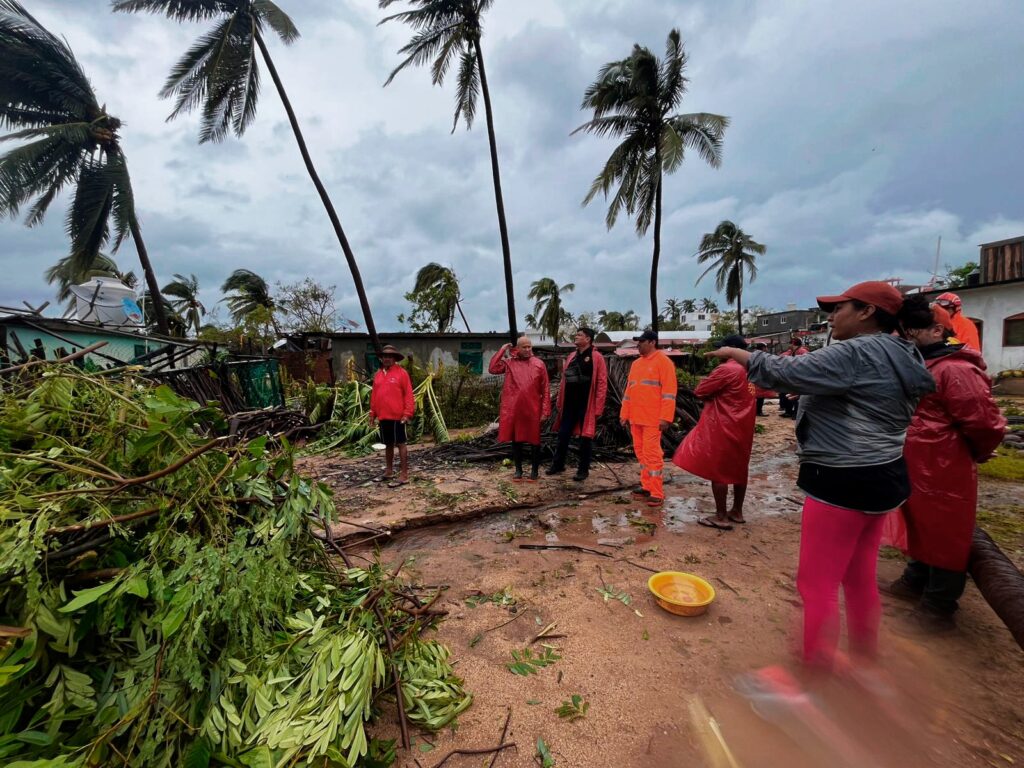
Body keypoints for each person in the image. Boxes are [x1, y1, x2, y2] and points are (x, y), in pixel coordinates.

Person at [707, 282, 935, 672]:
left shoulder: (857, 351)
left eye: (839, 308)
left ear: (866, 312)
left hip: (841, 478)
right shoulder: (905, 352)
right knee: (858, 575)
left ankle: (812, 676)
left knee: (817, 583)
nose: (831, 317)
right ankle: (865, 658)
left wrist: (739, 354)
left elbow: (784, 371)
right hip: (886, 475)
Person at [884, 303, 1006, 632]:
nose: (908, 336)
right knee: (921, 523)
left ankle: (939, 606)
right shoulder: (926, 363)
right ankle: (917, 579)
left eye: (914, 331)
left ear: (938, 330)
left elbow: (984, 423)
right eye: (905, 330)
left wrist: (974, 453)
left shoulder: (955, 368)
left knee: (946, 531)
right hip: (919, 460)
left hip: (944, 462)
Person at [673, 334, 756, 530]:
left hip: (724, 423)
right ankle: (737, 511)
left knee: (719, 470)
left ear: (731, 349)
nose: (718, 352)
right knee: (739, 467)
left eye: (721, 348)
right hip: (745, 424)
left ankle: (720, 516)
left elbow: (701, 390)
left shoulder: (726, 369)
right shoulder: (751, 369)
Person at [619, 330, 677, 507]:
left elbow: (669, 393)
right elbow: (629, 392)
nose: (638, 344)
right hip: (636, 419)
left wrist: (665, 418)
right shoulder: (636, 364)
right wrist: (624, 414)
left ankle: (657, 493)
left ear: (652, 342)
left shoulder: (664, 362)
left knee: (652, 455)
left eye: (642, 341)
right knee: (641, 454)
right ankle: (646, 486)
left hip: (653, 420)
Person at [548, 327, 608, 482]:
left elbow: (602, 383)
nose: (576, 337)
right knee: (563, 434)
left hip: (586, 404)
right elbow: (563, 381)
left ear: (588, 339)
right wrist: (560, 401)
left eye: (579, 335)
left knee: (585, 438)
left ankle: (583, 470)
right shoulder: (572, 356)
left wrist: (599, 407)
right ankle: (558, 464)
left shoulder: (597, 357)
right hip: (569, 403)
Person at [489, 336, 551, 481]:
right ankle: (518, 470)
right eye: (524, 347)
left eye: (529, 347)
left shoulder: (539, 364)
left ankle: (534, 470)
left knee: (535, 441)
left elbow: (546, 389)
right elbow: (492, 368)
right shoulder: (509, 363)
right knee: (516, 440)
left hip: (533, 409)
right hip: (514, 409)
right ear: (517, 348)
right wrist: (503, 349)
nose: (528, 349)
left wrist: (545, 411)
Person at [368, 344, 415, 486]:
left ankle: (404, 474)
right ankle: (389, 472)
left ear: (394, 359)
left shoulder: (402, 373)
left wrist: (407, 414)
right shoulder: (378, 375)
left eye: (390, 356)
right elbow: (375, 396)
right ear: (381, 359)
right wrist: (372, 413)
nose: (387, 359)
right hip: (383, 416)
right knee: (388, 444)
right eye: (385, 356)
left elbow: (408, 395)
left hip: (398, 417)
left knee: (401, 444)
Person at [777, 337, 807, 418]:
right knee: (787, 395)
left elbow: (804, 365)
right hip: (791, 377)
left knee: (796, 397)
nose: (789, 345)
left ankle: (796, 413)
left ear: (793, 344)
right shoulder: (792, 352)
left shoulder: (802, 351)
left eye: (790, 343)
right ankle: (788, 412)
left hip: (799, 378)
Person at [751, 341, 775, 416]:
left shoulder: (753, 354)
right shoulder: (762, 356)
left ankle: (756, 411)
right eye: (766, 347)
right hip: (759, 378)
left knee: (755, 396)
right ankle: (758, 411)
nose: (767, 349)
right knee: (760, 397)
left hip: (753, 378)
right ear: (763, 348)